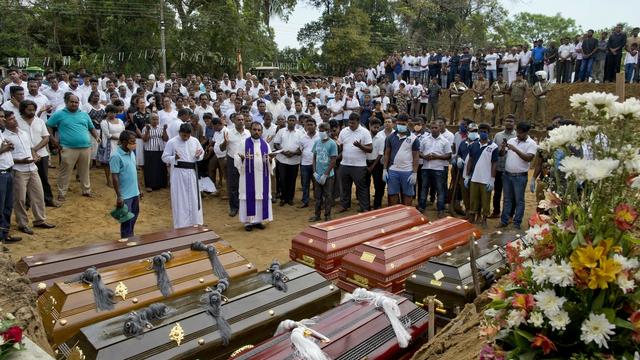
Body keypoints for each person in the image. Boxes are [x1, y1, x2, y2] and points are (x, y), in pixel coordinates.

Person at [3, 111, 55, 234]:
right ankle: (22, 223)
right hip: (18, 170)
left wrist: (35, 156)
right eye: (10, 119)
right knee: (20, 199)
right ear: (5, 122)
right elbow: (6, 156)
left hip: (32, 168)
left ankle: (40, 220)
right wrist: (20, 161)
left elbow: (31, 149)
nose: (14, 120)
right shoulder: (4, 136)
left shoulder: (23, 133)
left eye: (14, 118)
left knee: (38, 195)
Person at [46, 93, 101, 201]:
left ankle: (86, 190)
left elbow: (91, 127)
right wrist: (52, 139)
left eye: (76, 102)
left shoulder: (84, 114)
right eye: (72, 102)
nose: (74, 104)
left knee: (85, 170)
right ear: (66, 102)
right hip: (68, 147)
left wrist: (96, 136)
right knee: (65, 171)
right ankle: (62, 193)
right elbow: (48, 125)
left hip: (85, 147)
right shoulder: (59, 114)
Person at [162, 123, 205, 228]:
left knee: (194, 197)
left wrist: (198, 156)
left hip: (191, 172)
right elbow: (164, 157)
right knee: (180, 198)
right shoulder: (172, 142)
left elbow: (201, 153)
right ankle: (181, 224)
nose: (185, 137)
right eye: (183, 135)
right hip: (178, 173)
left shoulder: (195, 141)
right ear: (180, 132)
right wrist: (174, 158)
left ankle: (195, 221)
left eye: (188, 135)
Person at [17, 100, 57, 208]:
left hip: (42, 154)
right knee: (24, 180)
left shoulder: (40, 121)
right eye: (29, 110)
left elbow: (46, 138)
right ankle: (27, 202)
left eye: (33, 110)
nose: (32, 112)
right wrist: (31, 151)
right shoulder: (17, 122)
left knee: (44, 178)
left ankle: (48, 199)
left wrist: (34, 149)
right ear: (23, 110)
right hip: (24, 156)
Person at [498, 121, 537, 230]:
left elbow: (528, 158)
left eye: (521, 133)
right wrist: (502, 148)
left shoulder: (532, 143)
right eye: (518, 132)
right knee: (507, 199)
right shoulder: (511, 140)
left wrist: (515, 149)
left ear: (526, 132)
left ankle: (517, 223)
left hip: (520, 176)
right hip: (507, 175)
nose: (519, 135)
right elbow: (501, 154)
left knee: (519, 200)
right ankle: (504, 221)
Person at [235, 122, 273, 231]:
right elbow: (236, 158)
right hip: (248, 178)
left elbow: (270, 160)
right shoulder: (243, 143)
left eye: (258, 130)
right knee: (248, 197)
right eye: (254, 129)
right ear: (250, 130)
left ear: (261, 131)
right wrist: (241, 159)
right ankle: (248, 222)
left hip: (262, 177)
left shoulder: (265, 144)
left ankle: (258, 220)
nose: (256, 132)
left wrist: (271, 160)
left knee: (261, 197)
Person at [464, 123, 498, 228]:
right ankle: (472, 216)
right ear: (478, 132)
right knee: (473, 199)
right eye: (481, 131)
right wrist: (467, 175)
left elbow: (494, 163)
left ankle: (484, 219)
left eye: (485, 132)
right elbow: (470, 160)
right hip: (474, 177)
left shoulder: (493, 147)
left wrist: (492, 179)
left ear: (489, 133)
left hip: (486, 179)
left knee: (485, 200)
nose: (483, 133)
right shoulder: (473, 145)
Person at [338, 113, 373, 213]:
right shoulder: (344, 131)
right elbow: (341, 145)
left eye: (353, 123)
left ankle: (365, 207)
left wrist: (360, 146)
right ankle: (344, 205)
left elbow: (370, 149)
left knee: (361, 187)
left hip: (359, 166)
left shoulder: (365, 132)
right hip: (345, 164)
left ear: (358, 122)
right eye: (349, 122)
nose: (351, 124)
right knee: (345, 187)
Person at [383, 114, 420, 206]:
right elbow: (386, 154)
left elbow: (416, 157)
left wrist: (414, 173)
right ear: (396, 123)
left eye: (403, 124)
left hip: (407, 171)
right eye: (399, 124)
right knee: (392, 194)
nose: (401, 126)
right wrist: (384, 169)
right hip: (393, 170)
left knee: (408, 195)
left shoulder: (414, 138)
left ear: (407, 123)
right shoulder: (390, 137)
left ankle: (406, 216)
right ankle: (395, 215)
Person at [110, 130, 141, 238]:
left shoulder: (131, 153)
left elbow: (133, 173)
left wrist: (139, 189)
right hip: (125, 195)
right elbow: (115, 177)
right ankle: (125, 240)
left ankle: (130, 235)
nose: (134, 144)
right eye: (132, 142)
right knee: (126, 220)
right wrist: (119, 196)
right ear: (123, 142)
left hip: (134, 193)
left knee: (135, 215)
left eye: (135, 141)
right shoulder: (116, 156)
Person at [419, 121, 451, 217]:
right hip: (426, 167)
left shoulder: (445, 141)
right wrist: (424, 156)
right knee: (424, 188)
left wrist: (437, 157)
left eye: (436, 128)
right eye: (432, 128)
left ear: (439, 128)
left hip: (438, 169)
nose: (434, 129)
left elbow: (449, 155)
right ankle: (421, 207)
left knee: (439, 189)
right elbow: (419, 152)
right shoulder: (424, 140)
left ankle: (440, 209)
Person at [221, 113, 250, 217]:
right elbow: (221, 148)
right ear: (234, 121)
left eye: (242, 120)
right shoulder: (228, 132)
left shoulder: (248, 133)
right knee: (233, 185)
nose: (241, 121)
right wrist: (225, 142)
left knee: (245, 184)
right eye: (239, 120)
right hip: (232, 161)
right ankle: (234, 208)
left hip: (245, 161)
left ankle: (244, 207)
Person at [309, 122, 337, 222]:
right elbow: (314, 157)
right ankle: (317, 215)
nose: (321, 133)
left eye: (323, 131)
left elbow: (333, 160)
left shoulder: (332, 144)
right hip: (317, 174)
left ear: (328, 131)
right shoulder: (317, 142)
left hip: (328, 176)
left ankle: (327, 215)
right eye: (320, 131)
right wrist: (314, 172)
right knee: (317, 196)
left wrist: (325, 174)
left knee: (328, 196)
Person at [0, 111, 21, 243]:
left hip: (8, 171)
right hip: (1, 173)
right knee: (1, 207)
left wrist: (7, 147)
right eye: (1, 117)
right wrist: (5, 148)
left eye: (3, 116)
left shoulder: (1, 133)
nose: (3, 119)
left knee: (7, 206)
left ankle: (4, 234)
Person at [491, 115, 516, 218]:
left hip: (511, 169)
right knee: (497, 192)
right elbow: (493, 150)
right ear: (504, 122)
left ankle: (510, 214)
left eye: (511, 121)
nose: (509, 123)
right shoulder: (498, 135)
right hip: (499, 168)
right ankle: (496, 212)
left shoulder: (517, 136)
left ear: (514, 123)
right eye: (507, 121)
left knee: (510, 193)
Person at [273, 115, 302, 206]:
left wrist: (293, 153)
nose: (291, 122)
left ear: (296, 122)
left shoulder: (300, 133)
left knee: (292, 180)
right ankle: (283, 198)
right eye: (290, 120)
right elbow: (276, 144)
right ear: (287, 121)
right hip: (282, 160)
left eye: (293, 120)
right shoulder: (281, 131)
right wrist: (284, 152)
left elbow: (302, 147)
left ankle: (290, 198)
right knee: (282, 179)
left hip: (294, 161)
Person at [142, 113, 168, 191]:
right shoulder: (145, 128)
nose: (155, 121)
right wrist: (148, 131)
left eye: (157, 119)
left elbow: (166, 139)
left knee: (160, 168)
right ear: (150, 120)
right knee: (150, 169)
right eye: (153, 119)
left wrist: (164, 130)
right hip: (149, 151)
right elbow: (145, 139)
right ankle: (149, 185)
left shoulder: (161, 128)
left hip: (160, 150)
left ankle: (161, 184)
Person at [299, 117, 319, 208]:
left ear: (315, 126)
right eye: (308, 125)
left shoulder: (320, 136)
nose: (310, 126)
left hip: (317, 164)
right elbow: (300, 150)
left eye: (311, 125)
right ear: (305, 126)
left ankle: (318, 201)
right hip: (305, 164)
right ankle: (305, 201)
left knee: (317, 184)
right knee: (305, 184)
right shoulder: (302, 137)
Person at [367, 118, 386, 209]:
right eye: (374, 127)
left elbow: (380, 154)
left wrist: (372, 167)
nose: (376, 129)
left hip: (377, 163)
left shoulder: (381, 138)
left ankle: (377, 204)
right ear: (370, 126)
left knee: (378, 185)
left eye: (378, 128)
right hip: (365, 162)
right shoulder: (365, 136)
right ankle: (366, 205)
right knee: (365, 184)